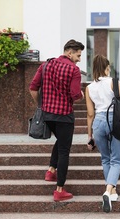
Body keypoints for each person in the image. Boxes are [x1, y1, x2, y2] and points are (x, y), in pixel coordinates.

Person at [29, 39, 85, 202]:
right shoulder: (74, 70)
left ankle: (51, 170)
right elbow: (75, 95)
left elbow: (32, 88)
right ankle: (59, 189)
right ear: (69, 52)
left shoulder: (46, 65)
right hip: (64, 115)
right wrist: (82, 95)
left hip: (47, 115)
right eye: (78, 55)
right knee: (64, 150)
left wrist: (41, 105)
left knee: (61, 141)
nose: (79, 59)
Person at [85, 55, 120, 213]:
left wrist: (89, 136)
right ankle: (108, 190)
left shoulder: (89, 88)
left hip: (98, 122)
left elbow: (89, 114)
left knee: (105, 159)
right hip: (115, 120)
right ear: (107, 68)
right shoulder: (115, 82)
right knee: (116, 159)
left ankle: (113, 192)